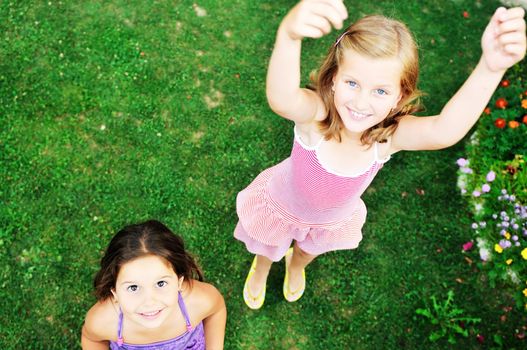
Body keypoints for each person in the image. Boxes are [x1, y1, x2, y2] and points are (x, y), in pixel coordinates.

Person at [234, 0, 526, 309]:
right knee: (268, 246)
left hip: (329, 221)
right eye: (352, 83)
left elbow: (444, 131)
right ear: (333, 79)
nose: (361, 102)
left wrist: (491, 68)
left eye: (380, 91)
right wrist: (288, 36)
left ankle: (296, 266)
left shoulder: (388, 137)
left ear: (399, 96)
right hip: (283, 205)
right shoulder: (316, 117)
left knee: (308, 251)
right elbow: (282, 99)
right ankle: (262, 268)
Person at [81, 220, 226, 349]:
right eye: (133, 287)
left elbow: (216, 310)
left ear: (179, 283)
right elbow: (92, 339)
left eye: (161, 283)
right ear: (115, 292)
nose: (149, 301)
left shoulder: (198, 302)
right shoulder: (103, 321)